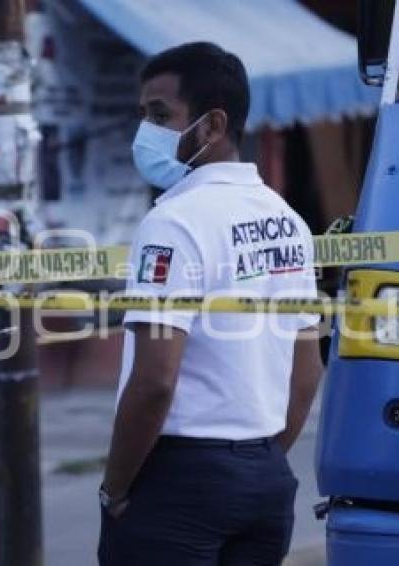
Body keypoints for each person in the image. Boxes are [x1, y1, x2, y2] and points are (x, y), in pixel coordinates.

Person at [98, 43, 325, 565]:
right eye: (142, 115)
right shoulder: (286, 219)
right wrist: (258, 459)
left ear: (212, 125)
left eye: (159, 115)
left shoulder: (174, 222)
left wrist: (115, 486)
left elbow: (155, 380)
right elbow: (307, 367)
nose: (145, 133)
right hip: (264, 475)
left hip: (179, 481)